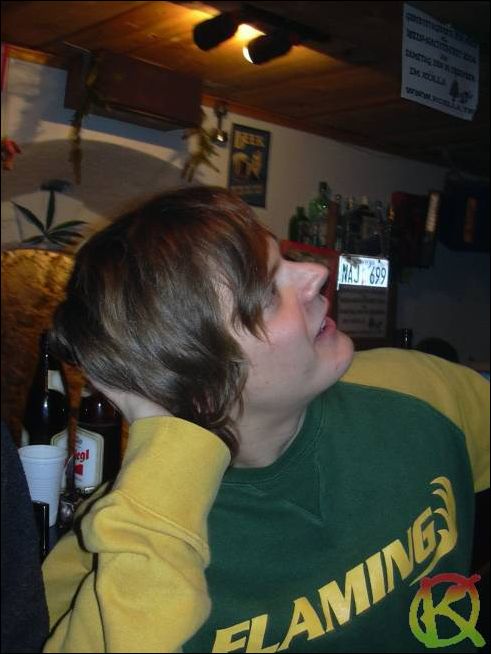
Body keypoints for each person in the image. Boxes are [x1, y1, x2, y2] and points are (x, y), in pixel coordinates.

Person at [42, 186, 489, 653]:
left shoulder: (417, 390)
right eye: (268, 293)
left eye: (285, 259)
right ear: (200, 384)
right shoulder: (129, 544)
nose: (318, 273)